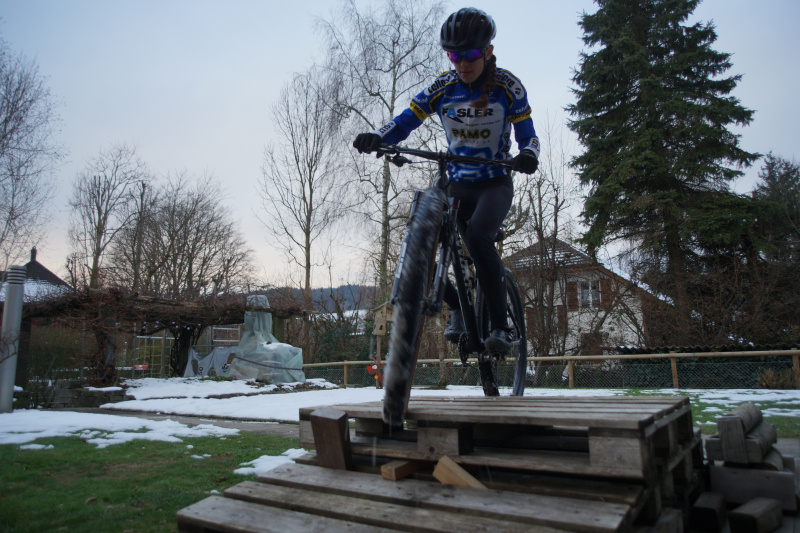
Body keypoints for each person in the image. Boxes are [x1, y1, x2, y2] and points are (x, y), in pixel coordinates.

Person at [353, 7, 539, 356]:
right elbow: (406, 120)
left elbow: (528, 135)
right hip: (458, 184)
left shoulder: (507, 86)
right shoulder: (443, 87)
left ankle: (500, 327)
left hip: (494, 183)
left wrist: (528, 154)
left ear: (487, 51)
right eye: (454, 55)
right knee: (426, 240)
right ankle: (456, 306)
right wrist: (378, 136)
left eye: (470, 54)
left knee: (480, 239)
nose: (462, 63)